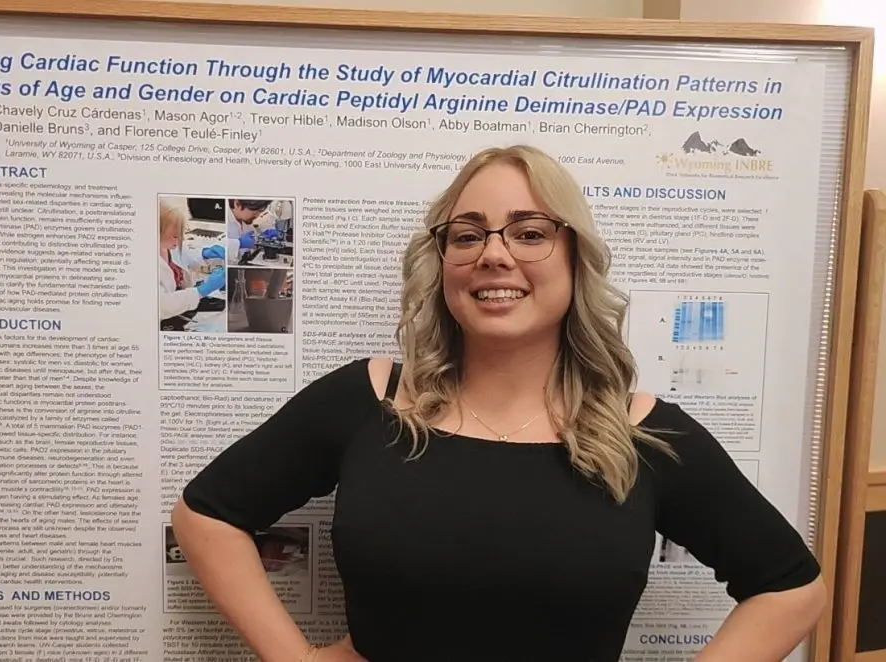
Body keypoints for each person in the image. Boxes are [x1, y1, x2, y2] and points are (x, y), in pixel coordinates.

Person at [170, 145, 826, 662]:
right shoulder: (370, 401)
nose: (494, 255)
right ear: (443, 261)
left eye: (529, 232)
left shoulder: (642, 435)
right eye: (468, 235)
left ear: (574, 257)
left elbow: (791, 587)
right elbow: (208, 516)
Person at [158, 197, 225, 321]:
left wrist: (205, 254)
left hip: (183, 309)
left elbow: (184, 256)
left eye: (181, 234)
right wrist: (201, 291)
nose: (179, 241)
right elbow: (161, 305)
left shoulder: (166, 245)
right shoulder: (147, 263)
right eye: (175, 236)